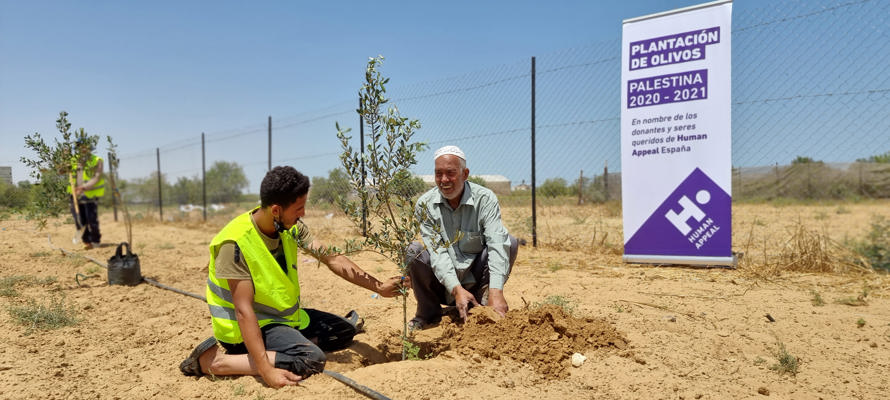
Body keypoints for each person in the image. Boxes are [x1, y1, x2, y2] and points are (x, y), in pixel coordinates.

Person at [179, 166, 409, 388]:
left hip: (282, 319)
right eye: (299, 208)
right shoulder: (234, 243)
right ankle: (215, 362)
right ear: (276, 210)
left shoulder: (290, 227)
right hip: (245, 330)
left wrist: (378, 287)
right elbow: (243, 311)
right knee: (311, 359)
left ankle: (286, 346)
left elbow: (332, 258)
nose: (304, 214)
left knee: (344, 331)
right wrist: (266, 370)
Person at [407, 145, 519, 330]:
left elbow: (497, 243)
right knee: (413, 251)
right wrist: (456, 289)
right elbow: (437, 253)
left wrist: (497, 291)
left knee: (509, 241)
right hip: (442, 285)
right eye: (438, 174)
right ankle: (427, 312)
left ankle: (484, 302)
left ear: (465, 174)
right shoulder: (425, 205)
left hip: (475, 279)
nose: (444, 180)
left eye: (450, 173)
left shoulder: (485, 199)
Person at [68, 139, 105, 249]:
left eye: (84, 146)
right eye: (79, 147)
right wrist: (63, 160)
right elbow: (61, 171)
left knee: (91, 218)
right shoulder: (72, 160)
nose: (82, 149)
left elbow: (97, 177)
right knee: (79, 219)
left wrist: (83, 187)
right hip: (74, 195)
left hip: (90, 194)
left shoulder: (97, 160)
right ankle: (87, 241)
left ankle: (95, 241)